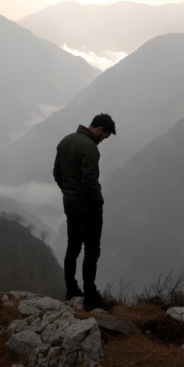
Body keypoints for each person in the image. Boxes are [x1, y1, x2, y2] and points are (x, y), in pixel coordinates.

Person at [53, 113, 117, 310]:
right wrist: (99, 202)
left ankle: (71, 289)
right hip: (88, 207)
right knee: (91, 250)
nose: (103, 141)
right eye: (104, 137)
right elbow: (89, 181)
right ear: (99, 130)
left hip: (70, 205)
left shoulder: (66, 140)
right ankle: (90, 296)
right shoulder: (89, 148)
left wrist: (68, 193)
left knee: (73, 247)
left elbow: (57, 173)